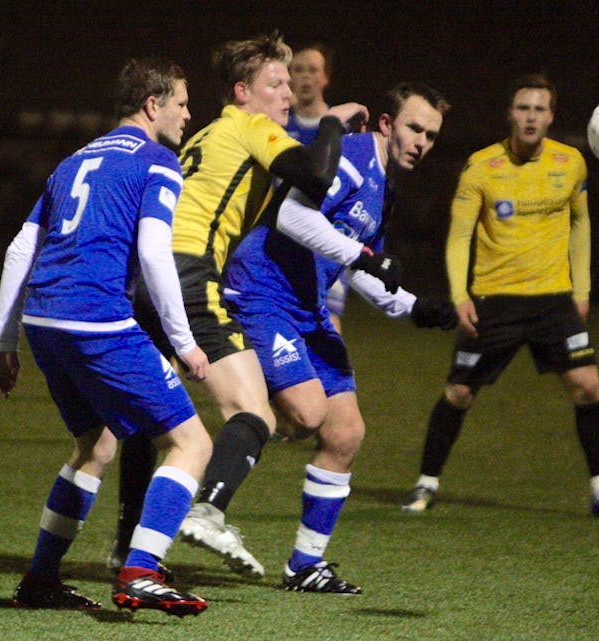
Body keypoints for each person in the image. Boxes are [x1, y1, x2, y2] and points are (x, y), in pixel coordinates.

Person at [107, 32, 368, 580]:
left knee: (146, 418)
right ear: (241, 91)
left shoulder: (204, 133)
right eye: (275, 85)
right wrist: (332, 122)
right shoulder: (251, 126)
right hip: (189, 271)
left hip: (150, 273)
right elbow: (317, 175)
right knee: (253, 411)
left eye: (289, 85)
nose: (288, 96)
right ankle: (208, 510)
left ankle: (126, 540)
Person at [0, 57, 213, 617]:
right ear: (152, 105)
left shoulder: (72, 161)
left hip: (45, 323)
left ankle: (41, 579)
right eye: (182, 103)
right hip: (98, 322)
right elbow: (155, 251)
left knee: (97, 445)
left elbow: (21, 248)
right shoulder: (158, 160)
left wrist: (5, 341)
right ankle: (140, 569)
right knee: (191, 443)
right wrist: (183, 340)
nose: (189, 114)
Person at [222, 82, 455, 593]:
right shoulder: (351, 154)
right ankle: (206, 481)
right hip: (264, 289)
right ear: (387, 124)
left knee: (345, 433)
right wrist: (365, 258)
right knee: (305, 414)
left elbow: (362, 264)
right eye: (414, 128)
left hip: (306, 307)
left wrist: (416, 309)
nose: (422, 142)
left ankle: (305, 566)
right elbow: (292, 215)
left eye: (432, 136)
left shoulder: (386, 188)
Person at [399, 73, 599, 523]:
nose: (531, 117)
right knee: (458, 393)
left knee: (588, 387)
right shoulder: (480, 166)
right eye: (523, 108)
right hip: (495, 301)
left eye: (540, 109)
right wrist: (461, 295)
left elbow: (580, 227)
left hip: (553, 301)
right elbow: (458, 238)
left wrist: (582, 290)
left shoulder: (570, 163)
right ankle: (425, 484)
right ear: (510, 114)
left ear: (551, 116)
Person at [284, 42, 350, 332]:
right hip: (283, 237)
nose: (305, 78)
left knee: (328, 325)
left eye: (313, 70)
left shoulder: (341, 125)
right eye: (298, 70)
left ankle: (335, 379)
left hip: (326, 237)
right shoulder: (278, 125)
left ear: (326, 78)